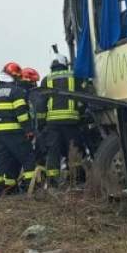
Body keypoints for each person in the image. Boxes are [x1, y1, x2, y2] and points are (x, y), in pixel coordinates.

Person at [0, 62, 34, 198]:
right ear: (14, 77)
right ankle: (32, 191)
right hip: (14, 133)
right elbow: (22, 114)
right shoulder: (16, 91)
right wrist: (29, 129)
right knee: (28, 159)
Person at [41, 56, 85, 188]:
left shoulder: (46, 80)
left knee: (53, 152)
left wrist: (42, 123)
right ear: (65, 64)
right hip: (71, 121)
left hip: (53, 124)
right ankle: (77, 180)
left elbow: (41, 104)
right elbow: (84, 97)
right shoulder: (74, 77)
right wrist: (81, 114)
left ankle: (53, 183)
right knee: (74, 150)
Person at [19, 67, 44, 191]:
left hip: (20, 130)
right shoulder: (32, 93)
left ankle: (26, 182)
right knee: (33, 156)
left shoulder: (18, 90)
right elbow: (37, 111)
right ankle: (31, 183)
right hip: (32, 129)